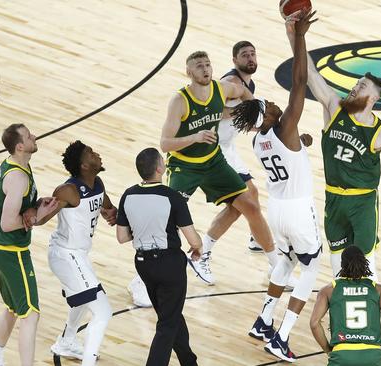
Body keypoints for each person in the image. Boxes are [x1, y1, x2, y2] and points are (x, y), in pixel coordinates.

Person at [288, 21, 381, 281]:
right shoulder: (334, 107)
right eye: (356, 83)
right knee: (337, 265)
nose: (355, 87)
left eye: (362, 86)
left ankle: (370, 311)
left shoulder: (380, 132)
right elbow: (309, 73)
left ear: (373, 98)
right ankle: (340, 313)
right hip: (334, 198)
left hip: (363, 202)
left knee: (366, 264)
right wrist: (295, 35)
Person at [230, 11, 318, 362]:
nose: (276, 103)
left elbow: (290, 150)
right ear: (266, 116)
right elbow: (300, 83)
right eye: (269, 105)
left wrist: (303, 141)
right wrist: (299, 37)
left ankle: (263, 320)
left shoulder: (258, 140)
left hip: (277, 210)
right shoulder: (283, 126)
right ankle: (280, 336)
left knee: (287, 260)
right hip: (297, 208)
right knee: (311, 267)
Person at [160, 50, 279, 284]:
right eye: (199, 66)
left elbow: (244, 94)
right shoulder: (179, 101)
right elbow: (164, 144)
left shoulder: (221, 89)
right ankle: (143, 280)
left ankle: (277, 268)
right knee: (167, 221)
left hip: (214, 161)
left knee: (250, 206)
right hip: (185, 166)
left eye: (207, 64)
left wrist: (250, 107)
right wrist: (194, 137)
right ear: (189, 72)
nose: (205, 69)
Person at [116, 147, 202, 365]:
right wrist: (198, 247)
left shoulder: (128, 194)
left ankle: (189, 361)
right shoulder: (172, 197)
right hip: (170, 264)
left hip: (143, 265)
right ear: (159, 168)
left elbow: (122, 237)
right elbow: (193, 239)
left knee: (169, 315)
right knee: (167, 323)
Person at [0, 124, 59, 366]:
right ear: (20, 146)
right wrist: (36, 217)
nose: (34, 136)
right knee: (31, 314)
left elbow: (15, 208)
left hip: (0, 248)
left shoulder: (18, 164)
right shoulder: (17, 177)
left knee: (13, 308)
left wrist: (35, 205)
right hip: (11, 251)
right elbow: (8, 223)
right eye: (29, 136)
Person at [44, 141, 117, 364]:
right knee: (103, 312)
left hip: (79, 254)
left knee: (83, 299)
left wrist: (111, 214)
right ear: (84, 165)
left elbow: (107, 207)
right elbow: (42, 218)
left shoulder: (98, 183)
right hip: (65, 255)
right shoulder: (69, 190)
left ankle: (66, 341)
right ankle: (87, 360)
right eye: (90, 153)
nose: (96, 153)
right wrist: (32, 211)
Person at [310, 246, 381, 366]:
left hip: (342, 354)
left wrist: (328, 350)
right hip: (372, 355)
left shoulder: (328, 290)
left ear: (342, 264)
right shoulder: (377, 289)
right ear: (364, 263)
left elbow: (314, 323)